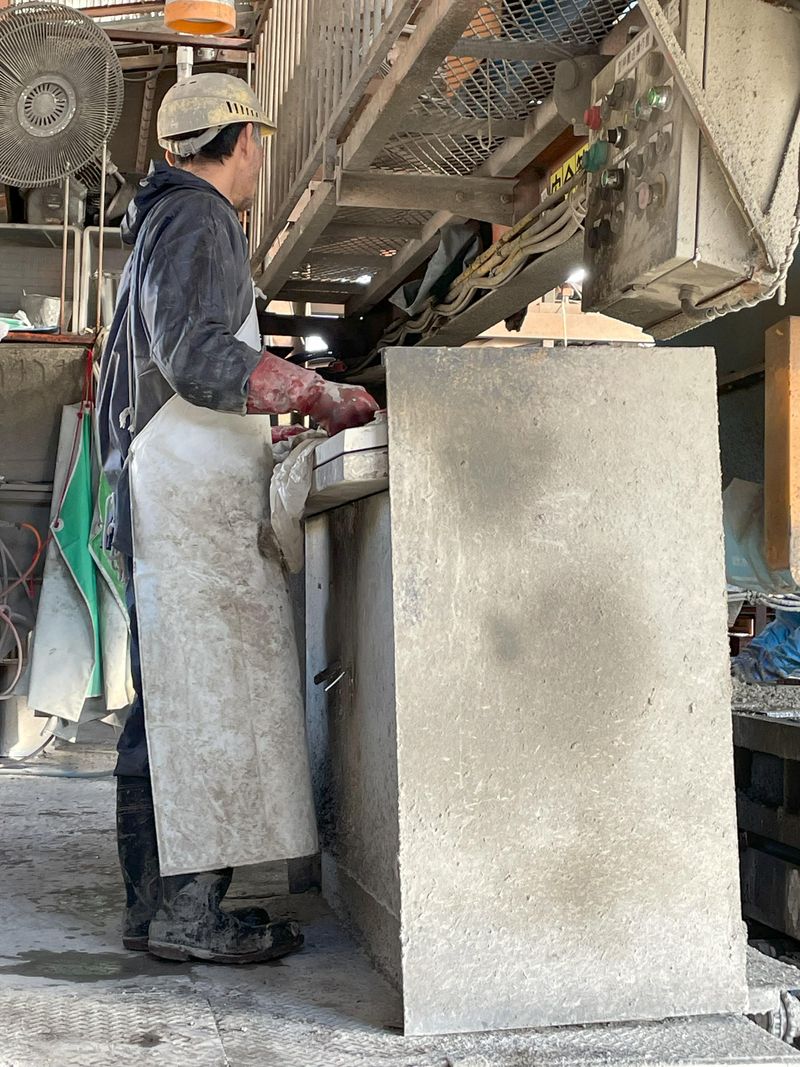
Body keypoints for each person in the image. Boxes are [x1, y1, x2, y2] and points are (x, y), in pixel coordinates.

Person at [97, 73, 378, 964]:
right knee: (205, 707)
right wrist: (316, 394)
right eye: (258, 142)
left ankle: (154, 909)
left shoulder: (159, 222)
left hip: (164, 497)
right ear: (244, 140)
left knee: (167, 709)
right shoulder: (199, 217)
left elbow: (181, 365)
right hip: (186, 511)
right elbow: (196, 354)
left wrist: (269, 416)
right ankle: (189, 916)